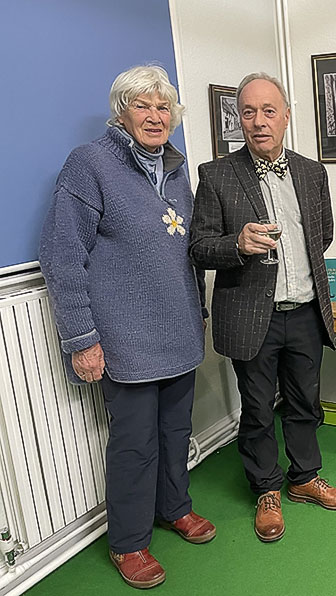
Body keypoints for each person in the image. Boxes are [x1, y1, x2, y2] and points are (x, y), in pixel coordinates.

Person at [39, 65, 216, 590]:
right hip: (125, 340)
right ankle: (129, 542)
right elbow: (61, 256)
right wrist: (81, 339)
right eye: (144, 106)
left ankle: (174, 508)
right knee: (135, 443)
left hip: (180, 331)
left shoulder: (179, 169)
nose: (155, 117)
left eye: (164, 108)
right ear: (122, 111)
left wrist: (199, 315)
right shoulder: (89, 165)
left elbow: (183, 254)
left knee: (175, 432)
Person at [189, 72, 336, 544]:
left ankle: (304, 477)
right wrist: (237, 245)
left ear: (286, 115)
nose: (259, 122)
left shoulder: (311, 171)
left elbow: (321, 236)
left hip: (304, 309)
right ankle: (266, 489)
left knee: (305, 403)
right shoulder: (216, 175)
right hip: (250, 315)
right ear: (238, 120)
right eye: (248, 112)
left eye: (268, 111)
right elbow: (199, 247)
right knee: (259, 409)